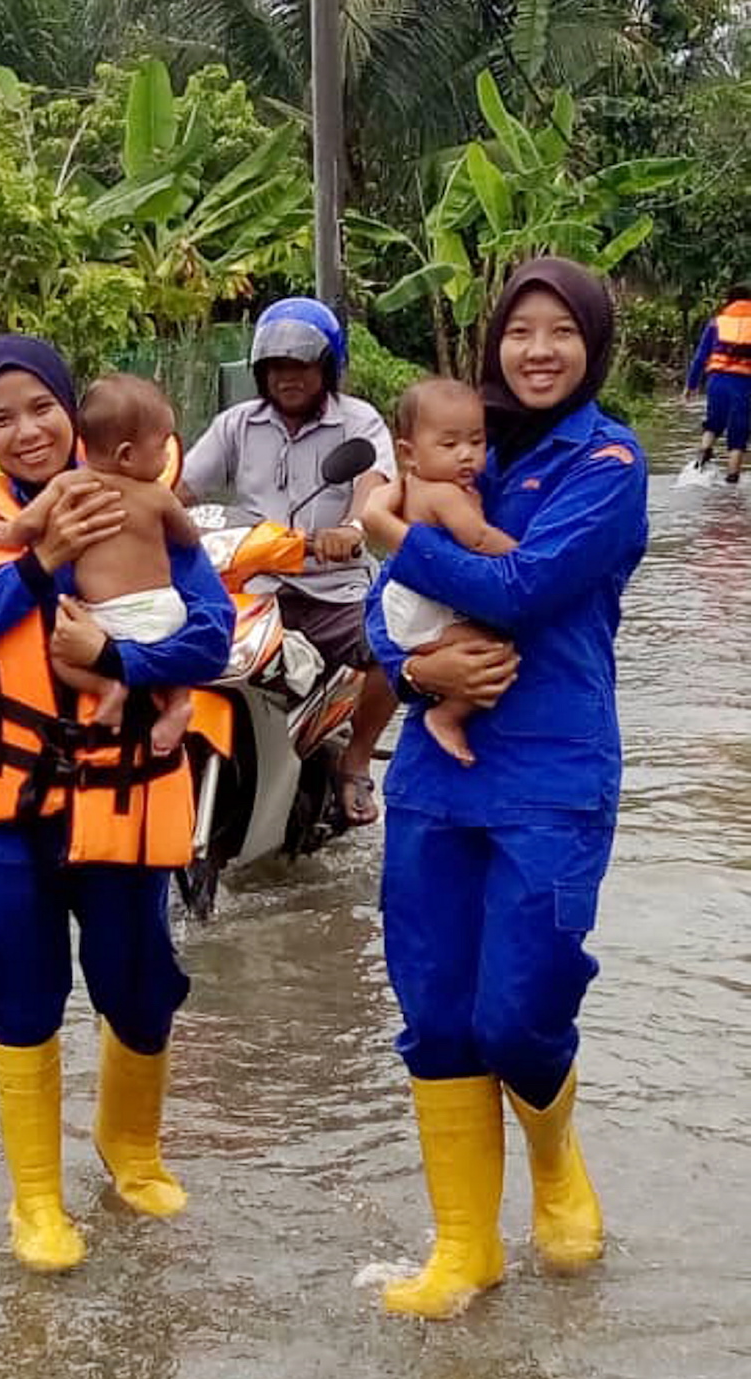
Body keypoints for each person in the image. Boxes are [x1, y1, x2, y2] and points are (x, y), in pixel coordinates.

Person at [0, 335, 233, 1273]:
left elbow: (210, 635)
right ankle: (39, 1200)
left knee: (139, 986)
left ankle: (131, 1153)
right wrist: (36, 563)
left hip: (126, 794)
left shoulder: (136, 501)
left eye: (41, 407)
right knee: (22, 991)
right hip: (10, 808)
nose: (26, 431)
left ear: (72, 409)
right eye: (1, 417)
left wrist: (119, 662)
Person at [364, 258, 648, 1319]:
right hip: (440, 771)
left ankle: (556, 1151)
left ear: (591, 345)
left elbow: (523, 585)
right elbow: (383, 612)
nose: (537, 349)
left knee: (520, 1008)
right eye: (519, 330)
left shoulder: (608, 460)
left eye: (560, 331)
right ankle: (463, 1247)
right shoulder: (449, 440)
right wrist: (410, 675)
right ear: (492, 343)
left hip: (553, 768)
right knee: (436, 1010)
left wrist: (395, 530)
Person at [177, 297, 398, 827]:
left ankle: (355, 759)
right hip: (252, 585)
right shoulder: (238, 424)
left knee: (393, 643)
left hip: (331, 590)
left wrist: (352, 529)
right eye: (276, 367)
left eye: (300, 364)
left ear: (326, 366)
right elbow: (181, 487)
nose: (287, 377)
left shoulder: (358, 422)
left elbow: (374, 486)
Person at [0, 372, 199, 755]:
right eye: (162, 447)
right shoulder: (158, 495)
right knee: (178, 647)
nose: (168, 457)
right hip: (166, 610)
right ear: (128, 455)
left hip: (108, 617)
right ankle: (179, 703)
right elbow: (189, 536)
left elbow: (29, 523)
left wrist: (10, 535)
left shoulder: (70, 484)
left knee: (60, 654)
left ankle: (108, 689)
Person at [363, 377, 516, 767]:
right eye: (449, 445)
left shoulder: (415, 485)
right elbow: (478, 539)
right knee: (492, 650)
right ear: (408, 453)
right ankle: (447, 714)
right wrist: (524, 555)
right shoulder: (444, 493)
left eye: (477, 442)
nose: (466, 455)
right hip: (421, 610)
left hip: (411, 601)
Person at [682, 282, 751, 484]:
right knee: (739, 431)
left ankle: (701, 461)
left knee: (713, 422)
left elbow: (701, 357)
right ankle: (732, 482)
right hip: (744, 384)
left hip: (717, 380)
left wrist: (691, 385)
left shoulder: (717, 323)